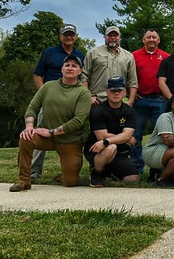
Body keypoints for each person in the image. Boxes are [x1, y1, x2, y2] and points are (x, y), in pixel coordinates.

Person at [10, 54, 91, 191]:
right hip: (45, 137)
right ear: (61, 69)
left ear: (80, 71)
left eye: (74, 66)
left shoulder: (83, 93)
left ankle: (65, 174)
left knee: (70, 181)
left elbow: (78, 121)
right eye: (67, 65)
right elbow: (32, 108)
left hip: (69, 140)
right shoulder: (48, 86)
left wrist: (52, 132)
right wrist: (29, 127)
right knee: (26, 137)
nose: (70, 68)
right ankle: (24, 180)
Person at [30, 23, 85, 181]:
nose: (69, 37)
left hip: (71, 103)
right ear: (60, 36)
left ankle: (66, 171)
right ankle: (34, 172)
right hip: (50, 103)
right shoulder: (50, 52)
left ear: (75, 37)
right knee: (40, 133)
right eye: (65, 34)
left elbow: (83, 78)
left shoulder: (80, 54)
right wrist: (44, 95)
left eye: (71, 34)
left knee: (70, 135)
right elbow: (37, 75)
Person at [84, 76, 139, 188]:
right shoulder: (98, 111)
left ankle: (109, 172)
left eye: (119, 90)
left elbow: (126, 135)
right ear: (107, 92)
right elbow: (101, 136)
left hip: (119, 151)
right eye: (113, 90)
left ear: (124, 92)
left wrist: (108, 140)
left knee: (133, 179)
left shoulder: (130, 111)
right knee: (111, 147)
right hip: (97, 149)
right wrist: (122, 138)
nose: (116, 93)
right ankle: (96, 173)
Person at [130, 29, 170, 175]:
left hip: (159, 101)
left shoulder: (166, 57)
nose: (151, 40)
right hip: (140, 100)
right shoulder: (134, 56)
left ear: (158, 40)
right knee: (136, 135)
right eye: (148, 37)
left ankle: (156, 168)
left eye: (154, 37)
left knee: (159, 136)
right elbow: (128, 76)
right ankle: (136, 168)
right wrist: (131, 93)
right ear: (143, 40)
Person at [83, 25, 138, 106]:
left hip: (120, 102)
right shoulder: (93, 53)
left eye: (115, 35)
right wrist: (88, 96)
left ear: (119, 37)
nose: (112, 38)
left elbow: (133, 81)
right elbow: (84, 76)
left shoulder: (128, 56)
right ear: (105, 37)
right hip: (97, 101)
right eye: (109, 35)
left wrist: (130, 101)